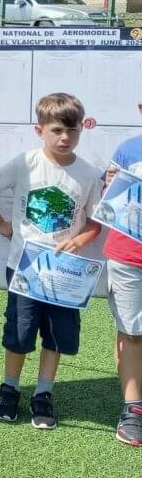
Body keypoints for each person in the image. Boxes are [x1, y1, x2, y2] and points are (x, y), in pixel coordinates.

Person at [0, 93, 102, 430]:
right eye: (57, 130)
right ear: (39, 129)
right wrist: (0, 224)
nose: (64, 138)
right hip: (25, 267)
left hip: (63, 273)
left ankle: (43, 394)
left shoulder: (88, 174)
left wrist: (82, 238)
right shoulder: (25, 163)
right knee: (19, 332)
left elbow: (96, 221)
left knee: (56, 336)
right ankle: (10, 387)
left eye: (72, 132)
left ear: (82, 130)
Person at [99, 112, 142, 447]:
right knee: (131, 331)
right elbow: (106, 198)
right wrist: (108, 180)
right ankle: (132, 409)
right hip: (127, 256)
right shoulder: (128, 148)